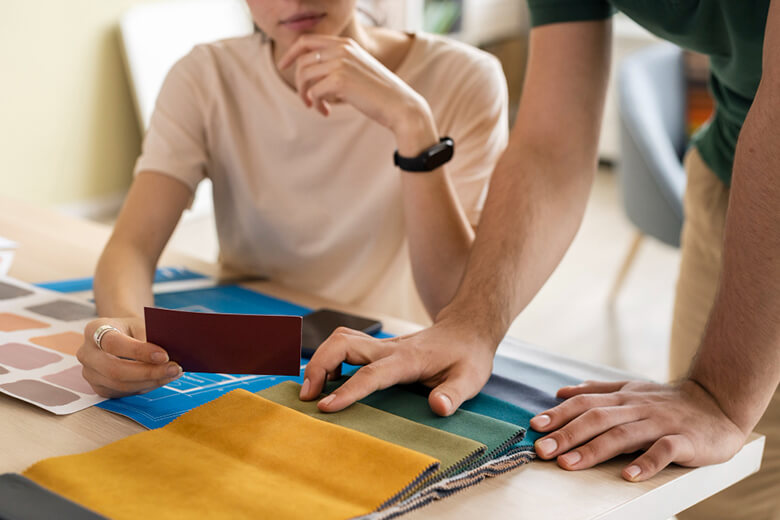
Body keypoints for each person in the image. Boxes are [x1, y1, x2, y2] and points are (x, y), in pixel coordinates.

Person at [301, 1, 780, 518]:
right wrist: (470, 324)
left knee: (751, 481)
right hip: (736, 175)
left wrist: (722, 395)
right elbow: (552, 143)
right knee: (711, 496)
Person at [76, 0, 508, 398]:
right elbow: (132, 244)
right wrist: (121, 327)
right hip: (245, 354)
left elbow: (453, 304)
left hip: (386, 357)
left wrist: (411, 122)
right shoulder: (205, 74)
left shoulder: (466, 77)